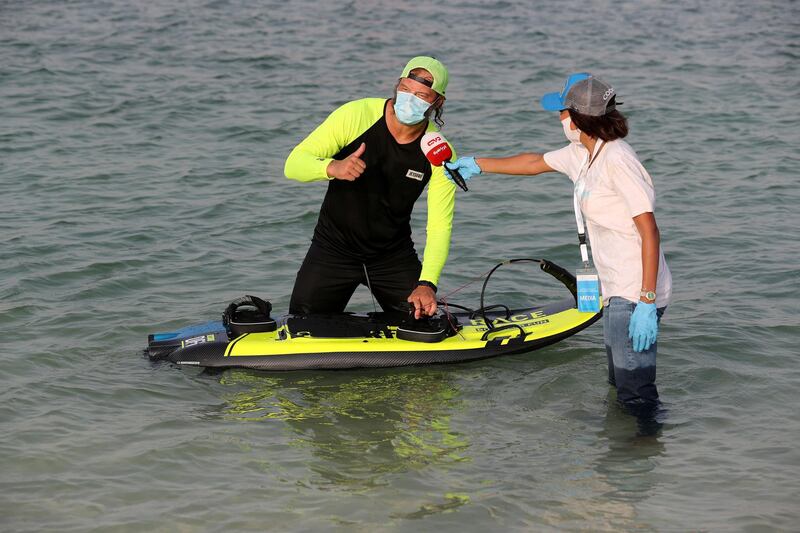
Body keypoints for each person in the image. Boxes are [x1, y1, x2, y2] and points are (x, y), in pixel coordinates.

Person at [445, 73, 672, 412]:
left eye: (563, 111)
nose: (559, 118)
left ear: (579, 117)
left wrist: (647, 301)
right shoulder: (582, 152)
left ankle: (641, 453)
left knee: (635, 392)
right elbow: (534, 162)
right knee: (619, 384)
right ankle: (624, 455)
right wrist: (477, 164)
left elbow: (649, 231)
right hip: (615, 290)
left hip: (636, 290)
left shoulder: (618, 160)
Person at [284, 56, 456, 319]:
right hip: (333, 249)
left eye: (421, 95)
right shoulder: (356, 114)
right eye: (405, 89)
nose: (410, 99)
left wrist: (427, 283)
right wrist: (333, 168)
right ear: (397, 85)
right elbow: (293, 164)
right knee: (303, 324)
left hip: (392, 256)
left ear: (437, 102)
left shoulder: (439, 150)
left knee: (422, 323)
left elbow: (439, 224)